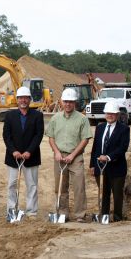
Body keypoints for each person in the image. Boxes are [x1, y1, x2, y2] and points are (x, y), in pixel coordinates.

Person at [45, 88, 92, 222]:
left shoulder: (82, 119)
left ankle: (79, 214)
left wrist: (73, 155)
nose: (68, 104)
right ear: (61, 102)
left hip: (76, 157)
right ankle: (62, 213)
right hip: (59, 157)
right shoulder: (55, 118)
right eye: (66, 101)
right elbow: (51, 137)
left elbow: (85, 139)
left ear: (75, 103)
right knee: (60, 186)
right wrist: (57, 152)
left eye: (71, 102)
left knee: (79, 186)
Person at [3, 86, 44, 221]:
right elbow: (6, 136)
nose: (23, 100)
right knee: (11, 185)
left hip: (31, 157)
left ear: (30, 99)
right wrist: (13, 150)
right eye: (21, 98)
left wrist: (29, 151)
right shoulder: (10, 116)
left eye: (26, 98)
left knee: (31, 185)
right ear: (17, 99)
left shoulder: (37, 115)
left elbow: (38, 135)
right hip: (13, 157)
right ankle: (12, 209)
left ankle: (31, 211)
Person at [89, 101, 130, 222]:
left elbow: (123, 148)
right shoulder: (100, 127)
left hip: (117, 168)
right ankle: (104, 216)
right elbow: (95, 147)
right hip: (100, 167)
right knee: (103, 193)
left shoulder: (124, 129)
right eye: (108, 113)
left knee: (117, 195)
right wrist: (92, 165)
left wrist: (108, 157)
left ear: (117, 115)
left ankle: (117, 218)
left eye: (113, 113)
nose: (110, 115)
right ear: (105, 114)